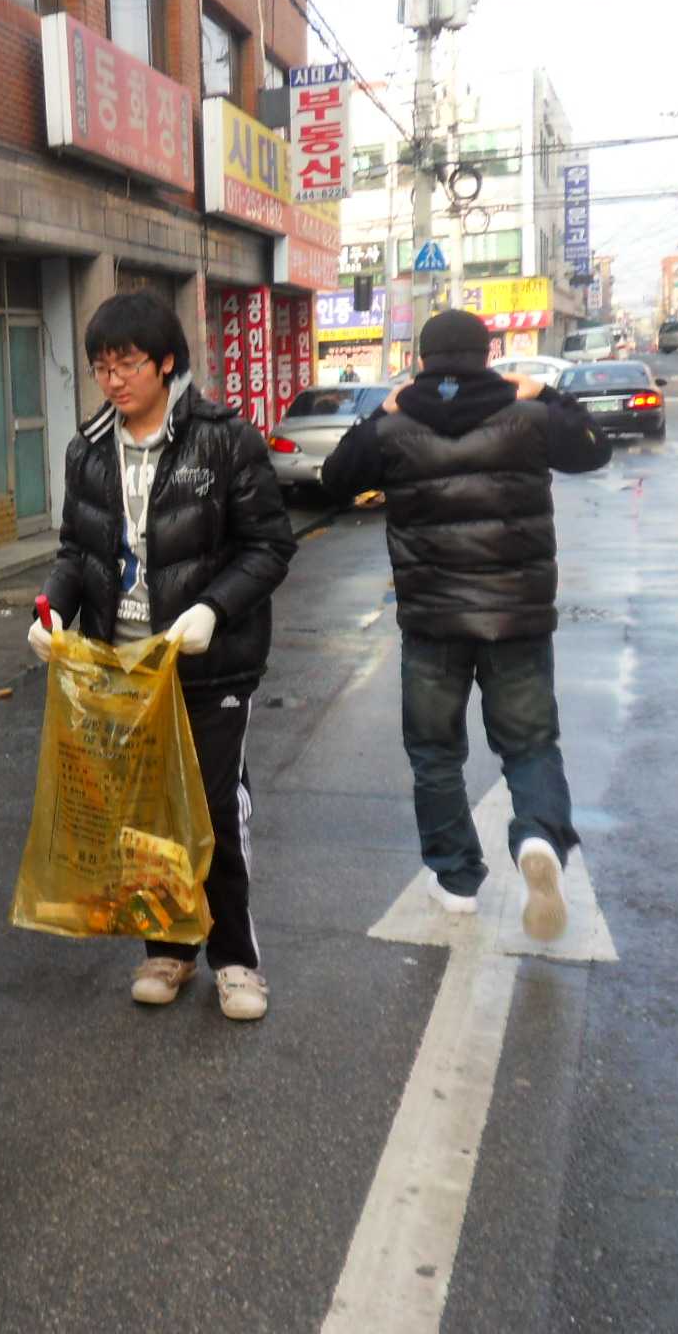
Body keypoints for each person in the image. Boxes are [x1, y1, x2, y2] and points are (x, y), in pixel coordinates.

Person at [31, 290, 297, 1021]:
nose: (113, 380)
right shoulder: (87, 450)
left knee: (213, 808)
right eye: (101, 367)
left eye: (128, 364)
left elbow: (270, 546)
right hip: (125, 669)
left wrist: (214, 607)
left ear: (167, 362)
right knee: (146, 815)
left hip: (211, 667)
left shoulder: (224, 439)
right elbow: (73, 551)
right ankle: (168, 950)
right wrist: (51, 607)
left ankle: (236, 960)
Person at [320, 308, 610, 940]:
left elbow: (333, 478)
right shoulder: (529, 416)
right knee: (530, 745)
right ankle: (537, 839)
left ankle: (454, 878)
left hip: (432, 623)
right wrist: (548, 392)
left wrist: (381, 413)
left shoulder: (396, 425)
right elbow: (594, 451)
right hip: (518, 621)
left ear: (423, 361)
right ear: (488, 355)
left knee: (434, 753)